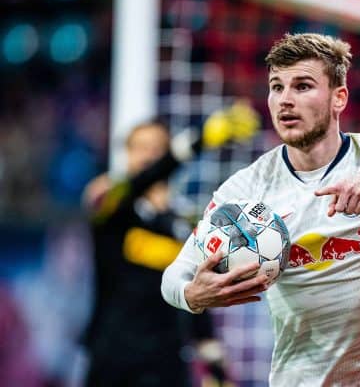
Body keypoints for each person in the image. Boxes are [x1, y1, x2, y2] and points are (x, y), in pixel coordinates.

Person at [162, 33, 360, 386]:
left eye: (303, 86)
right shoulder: (246, 190)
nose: (285, 100)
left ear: (339, 98)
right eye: (277, 87)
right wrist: (191, 295)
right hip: (302, 378)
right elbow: (175, 275)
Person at [83, 104, 259, 387]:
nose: (148, 156)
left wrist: (214, 361)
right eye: (140, 147)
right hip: (113, 357)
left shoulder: (184, 224)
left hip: (167, 360)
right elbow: (143, 180)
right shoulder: (110, 202)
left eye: (156, 148)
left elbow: (196, 291)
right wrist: (198, 140)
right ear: (126, 154)